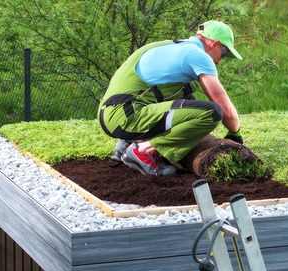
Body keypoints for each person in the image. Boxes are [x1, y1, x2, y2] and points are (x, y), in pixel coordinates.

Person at [98, 20, 246, 176]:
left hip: (112, 113)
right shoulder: (198, 56)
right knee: (212, 113)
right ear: (214, 44)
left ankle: (126, 142)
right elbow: (225, 110)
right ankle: (143, 151)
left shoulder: (166, 46)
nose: (220, 61)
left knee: (188, 96)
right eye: (224, 53)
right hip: (126, 117)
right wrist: (235, 134)